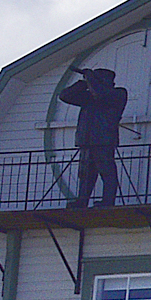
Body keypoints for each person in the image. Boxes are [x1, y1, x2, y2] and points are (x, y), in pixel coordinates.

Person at [58, 65, 129, 206]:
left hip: (104, 140)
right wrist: (83, 82)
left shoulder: (118, 94)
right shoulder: (89, 97)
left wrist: (91, 79)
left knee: (106, 171)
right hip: (86, 140)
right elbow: (64, 96)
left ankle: (108, 201)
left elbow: (101, 95)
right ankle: (82, 201)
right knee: (85, 174)